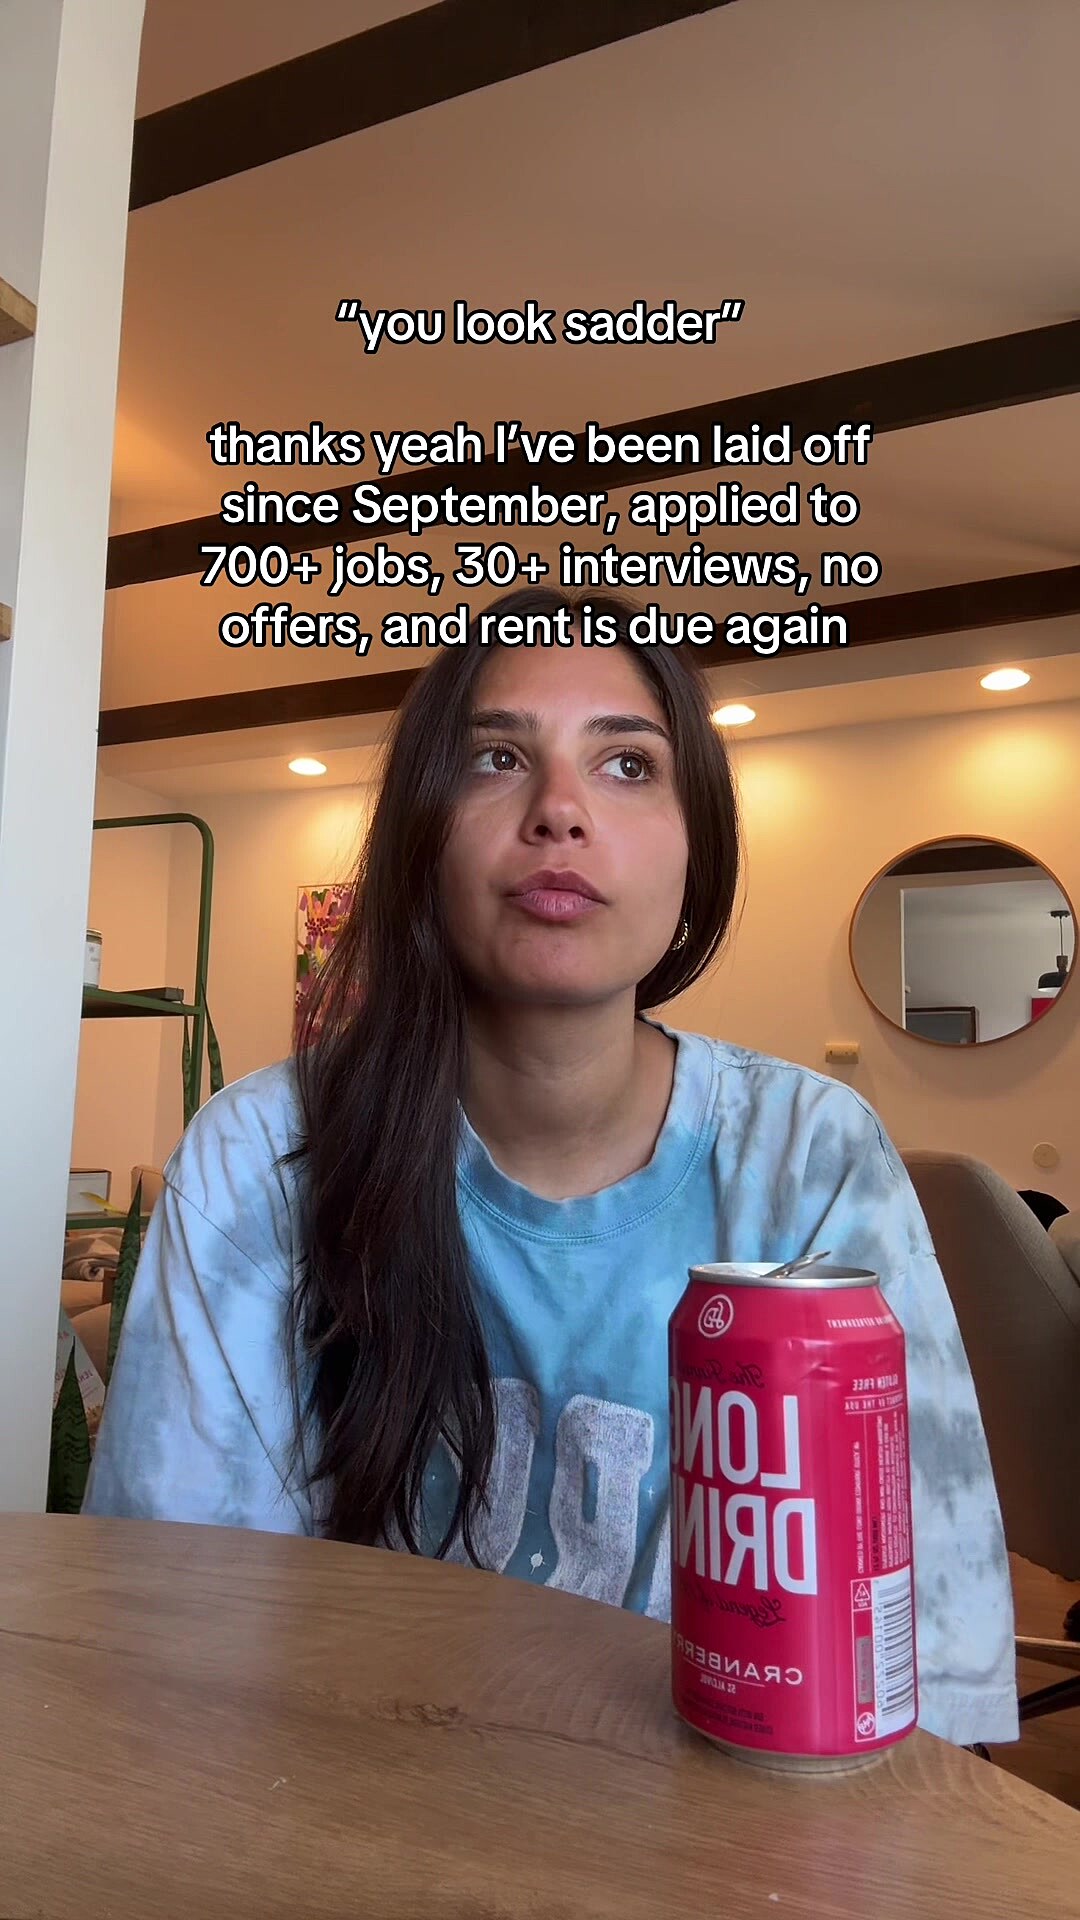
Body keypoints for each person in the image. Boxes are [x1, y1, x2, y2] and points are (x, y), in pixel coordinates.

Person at [84, 588, 1018, 1747]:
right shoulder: (259, 1157)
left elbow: (919, 1657)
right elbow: (176, 1626)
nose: (560, 812)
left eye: (627, 765)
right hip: (338, 1789)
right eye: (496, 758)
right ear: (420, 836)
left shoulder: (811, 1154)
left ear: (698, 849)